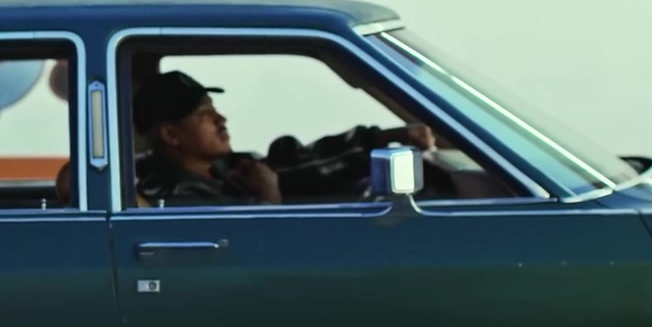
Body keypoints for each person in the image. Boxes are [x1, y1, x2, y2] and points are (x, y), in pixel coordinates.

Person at [132, 70, 441, 207]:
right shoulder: (176, 197)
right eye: (204, 115)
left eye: (215, 109)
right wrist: (269, 197)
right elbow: (250, 252)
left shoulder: (230, 169)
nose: (221, 119)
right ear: (171, 134)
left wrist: (382, 137)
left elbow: (298, 162)